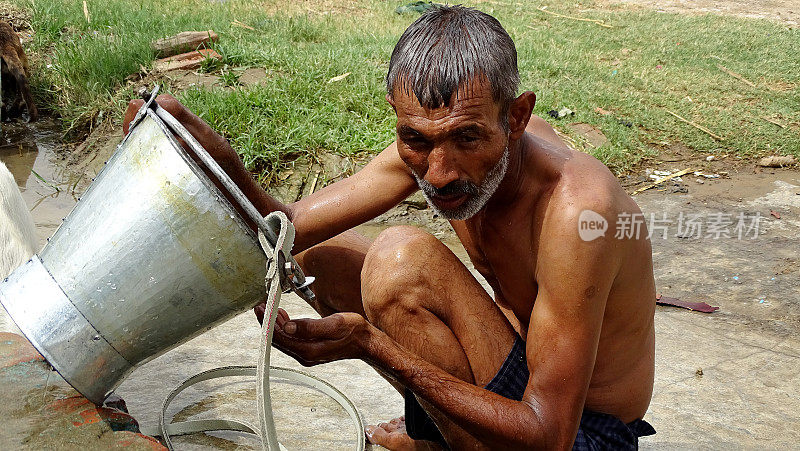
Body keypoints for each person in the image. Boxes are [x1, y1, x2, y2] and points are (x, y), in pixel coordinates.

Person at [124, 5, 656, 449]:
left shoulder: (578, 212)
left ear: (515, 118)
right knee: (319, 256)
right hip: (525, 381)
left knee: (401, 262)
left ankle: (439, 441)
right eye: (416, 140)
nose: (439, 173)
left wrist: (373, 344)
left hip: (583, 433)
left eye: (467, 139)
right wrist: (195, 147)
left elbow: (549, 434)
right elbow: (285, 227)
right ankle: (444, 433)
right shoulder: (439, 142)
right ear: (400, 120)